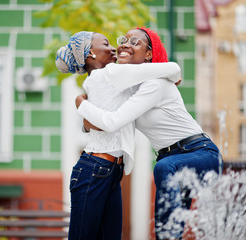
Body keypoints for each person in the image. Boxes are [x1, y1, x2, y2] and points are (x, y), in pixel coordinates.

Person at [75, 27, 223, 240]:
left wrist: (80, 103)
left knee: (163, 169)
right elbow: (102, 118)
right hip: (171, 161)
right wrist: (86, 124)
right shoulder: (127, 88)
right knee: (173, 225)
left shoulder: (156, 84)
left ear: (149, 54)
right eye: (124, 40)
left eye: (135, 42)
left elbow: (112, 121)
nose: (125, 44)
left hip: (200, 153)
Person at [55, 31, 181, 240]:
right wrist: (170, 76)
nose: (113, 47)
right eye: (105, 44)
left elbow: (91, 124)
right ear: (91, 54)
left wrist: (82, 106)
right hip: (95, 169)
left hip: (110, 171)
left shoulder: (98, 80)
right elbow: (173, 68)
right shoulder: (111, 73)